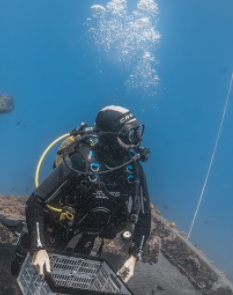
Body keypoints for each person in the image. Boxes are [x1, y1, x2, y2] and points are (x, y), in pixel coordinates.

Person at [11, 105, 151, 283]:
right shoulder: (81, 161)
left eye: (137, 132)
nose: (136, 140)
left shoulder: (133, 169)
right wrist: (39, 247)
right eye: (129, 134)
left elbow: (144, 217)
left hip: (87, 237)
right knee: (21, 272)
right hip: (55, 230)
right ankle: (24, 235)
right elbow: (36, 201)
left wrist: (133, 257)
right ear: (110, 135)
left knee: (67, 281)